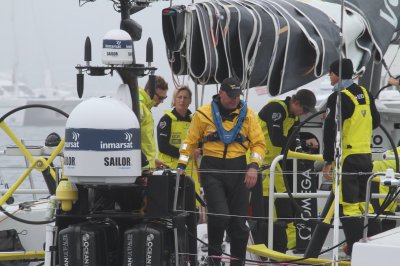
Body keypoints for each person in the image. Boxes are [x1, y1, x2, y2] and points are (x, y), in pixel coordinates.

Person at [177, 77, 266, 266]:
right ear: (221, 93)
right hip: (212, 170)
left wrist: (253, 166)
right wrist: (181, 166)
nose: (234, 99)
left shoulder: (249, 115)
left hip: (239, 169)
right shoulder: (203, 114)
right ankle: (214, 259)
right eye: (231, 96)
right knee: (220, 216)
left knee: (239, 225)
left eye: (237, 96)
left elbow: (259, 144)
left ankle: (237, 263)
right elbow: (189, 142)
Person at [322, 58, 382, 256]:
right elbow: (375, 122)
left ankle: (355, 250)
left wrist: (328, 160)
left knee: (348, 206)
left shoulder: (338, 98)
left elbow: (330, 131)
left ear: (337, 74)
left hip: (347, 158)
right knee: (366, 203)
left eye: (330, 73)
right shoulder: (366, 93)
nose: (330, 77)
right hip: (365, 156)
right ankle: (374, 247)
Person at [257, 89, 318, 250]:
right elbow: (277, 139)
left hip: (273, 164)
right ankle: (263, 241)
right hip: (257, 161)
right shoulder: (276, 109)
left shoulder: (294, 116)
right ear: (296, 103)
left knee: (284, 200)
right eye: (304, 109)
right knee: (264, 203)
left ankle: (287, 243)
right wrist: (302, 145)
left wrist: (303, 146)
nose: (304, 114)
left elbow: (294, 138)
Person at [157, 86, 201, 206]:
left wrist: (199, 151)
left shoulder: (195, 121)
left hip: (191, 170)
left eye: (185, 97)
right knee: (173, 205)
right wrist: (187, 154)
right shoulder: (166, 120)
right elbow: (163, 146)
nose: (182, 100)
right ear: (174, 100)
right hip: (171, 170)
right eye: (179, 97)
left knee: (193, 208)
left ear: (190, 101)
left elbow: (201, 144)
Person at [139, 75, 169, 170]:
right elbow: (130, 138)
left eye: (164, 98)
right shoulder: (139, 106)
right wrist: (144, 162)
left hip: (146, 166)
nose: (162, 101)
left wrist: (152, 161)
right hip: (142, 169)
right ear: (149, 91)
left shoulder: (145, 107)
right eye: (160, 98)